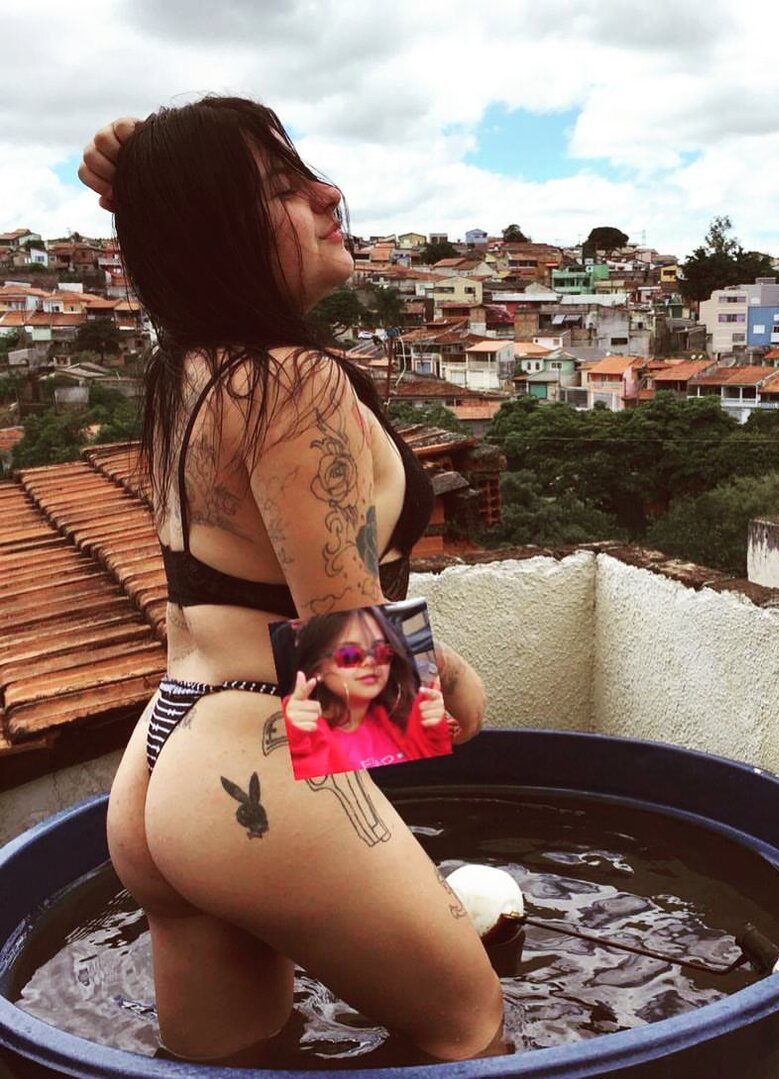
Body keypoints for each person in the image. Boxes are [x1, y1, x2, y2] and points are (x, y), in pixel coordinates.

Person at [83, 98, 503, 1064]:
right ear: (218, 230)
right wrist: (457, 686)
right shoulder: (292, 383)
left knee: (240, 1061)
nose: (329, 195)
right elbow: (347, 647)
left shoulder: (187, 373)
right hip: (256, 766)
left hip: (162, 765)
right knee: (470, 1026)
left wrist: (144, 169)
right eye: (283, 187)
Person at [283, 607, 452, 779]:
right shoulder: (300, 733)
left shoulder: (404, 717)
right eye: (349, 655)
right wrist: (295, 741)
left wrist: (434, 731)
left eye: (381, 652)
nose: (370, 662)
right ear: (317, 668)